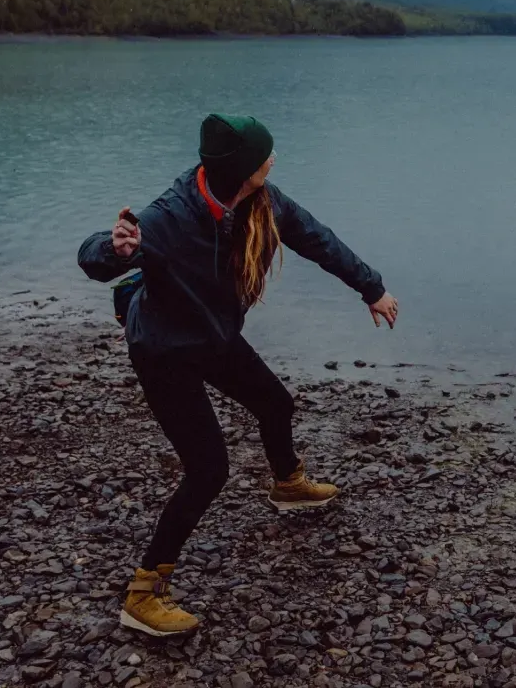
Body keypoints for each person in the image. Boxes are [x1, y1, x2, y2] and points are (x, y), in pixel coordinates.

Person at [78, 113, 400, 637]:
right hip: (163, 352)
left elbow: (318, 239)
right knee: (208, 471)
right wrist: (112, 248)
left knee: (275, 404)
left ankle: (288, 485)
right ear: (241, 168)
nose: (273, 161)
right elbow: (95, 257)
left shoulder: (262, 200)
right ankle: (143, 593)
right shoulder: (170, 216)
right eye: (265, 156)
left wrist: (373, 288)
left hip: (212, 336)